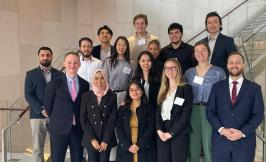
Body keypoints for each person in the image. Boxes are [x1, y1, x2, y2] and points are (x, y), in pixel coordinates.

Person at [206, 52, 264, 162]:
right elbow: (210, 111)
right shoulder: (217, 87)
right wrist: (221, 129)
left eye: (238, 62)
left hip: (244, 144)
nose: (234, 65)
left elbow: (258, 114)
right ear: (227, 65)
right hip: (221, 142)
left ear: (243, 64)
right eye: (231, 62)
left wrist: (242, 133)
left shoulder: (255, 88)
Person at [44, 52, 90, 162]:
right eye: (69, 62)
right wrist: (59, 119)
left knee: (78, 159)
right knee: (57, 159)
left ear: (79, 64)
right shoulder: (54, 83)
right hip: (58, 129)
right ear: (64, 63)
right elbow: (48, 106)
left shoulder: (85, 84)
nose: (72, 65)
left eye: (75, 63)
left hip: (78, 129)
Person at [184, 41, 226, 162]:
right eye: (197, 51)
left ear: (208, 52)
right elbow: (183, 94)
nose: (200, 53)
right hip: (192, 111)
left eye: (203, 50)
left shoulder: (219, 72)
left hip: (211, 111)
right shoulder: (189, 73)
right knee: (193, 144)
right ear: (194, 54)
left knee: (210, 144)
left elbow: (224, 96)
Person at [25, 47, 63, 162]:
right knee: (37, 148)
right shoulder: (31, 74)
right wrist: (41, 109)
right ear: (39, 57)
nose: (45, 57)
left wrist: (54, 110)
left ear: (52, 56)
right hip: (37, 116)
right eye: (42, 55)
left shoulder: (60, 74)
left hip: (55, 116)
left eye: (48, 55)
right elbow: (28, 95)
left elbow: (62, 95)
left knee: (56, 147)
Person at [156, 58, 193, 162]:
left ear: (178, 69)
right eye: (167, 68)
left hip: (179, 131)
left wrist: (172, 133)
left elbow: (186, 114)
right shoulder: (162, 89)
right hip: (162, 131)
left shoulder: (186, 88)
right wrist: (159, 130)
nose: (170, 70)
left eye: (173, 67)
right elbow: (157, 113)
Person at [80, 69, 117, 162]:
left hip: (106, 138)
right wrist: (92, 139)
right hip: (91, 137)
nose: (99, 81)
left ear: (106, 79)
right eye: (96, 78)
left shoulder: (112, 96)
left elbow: (112, 119)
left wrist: (105, 140)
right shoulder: (86, 96)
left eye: (102, 78)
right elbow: (83, 118)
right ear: (92, 79)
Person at [116, 79, 154, 162]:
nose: (134, 92)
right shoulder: (122, 109)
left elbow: (150, 128)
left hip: (143, 147)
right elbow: (118, 128)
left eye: (137, 89)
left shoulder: (149, 109)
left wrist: (139, 145)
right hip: (126, 147)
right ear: (128, 93)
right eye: (131, 90)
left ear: (142, 92)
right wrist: (127, 145)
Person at [202, 11, 237, 76]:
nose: (212, 25)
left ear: (220, 24)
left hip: (221, 79)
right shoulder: (202, 42)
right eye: (209, 23)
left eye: (215, 22)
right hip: (204, 78)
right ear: (206, 26)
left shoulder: (228, 41)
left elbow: (234, 61)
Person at [102, 36, 134, 106]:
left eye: (124, 45)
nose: (121, 47)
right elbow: (104, 80)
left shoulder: (130, 63)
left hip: (124, 95)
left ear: (127, 47)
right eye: (119, 44)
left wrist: (128, 97)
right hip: (110, 94)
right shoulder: (108, 61)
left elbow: (132, 80)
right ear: (115, 46)